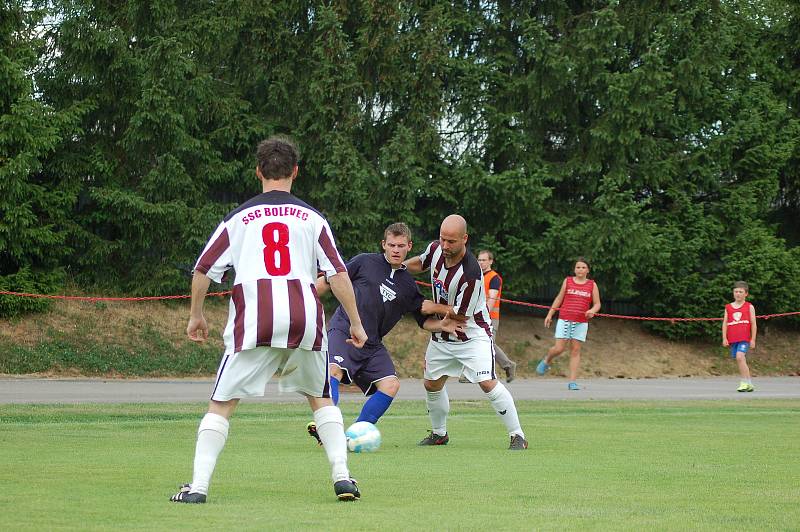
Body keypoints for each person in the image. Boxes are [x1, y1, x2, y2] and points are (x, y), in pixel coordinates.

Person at [169, 136, 368, 504]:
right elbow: (337, 274)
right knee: (321, 399)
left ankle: (197, 488)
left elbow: (202, 270)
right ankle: (342, 476)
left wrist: (196, 315)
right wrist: (355, 322)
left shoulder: (238, 218)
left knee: (222, 404)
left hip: (254, 321)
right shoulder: (312, 218)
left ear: (258, 171)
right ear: (295, 172)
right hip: (305, 321)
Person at [307, 223, 464, 444]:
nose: (396, 250)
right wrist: (306, 298)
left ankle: (355, 436)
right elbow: (332, 279)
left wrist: (442, 326)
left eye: (401, 245)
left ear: (409, 246)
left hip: (372, 344)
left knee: (391, 385)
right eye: (391, 245)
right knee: (333, 371)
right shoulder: (364, 262)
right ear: (384, 245)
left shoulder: (408, 285)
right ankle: (327, 427)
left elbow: (423, 319)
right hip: (345, 329)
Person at [405, 214, 528, 450]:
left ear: (465, 239)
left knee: (487, 383)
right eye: (442, 239)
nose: (445, 246)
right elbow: (420, 263)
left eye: (451, 241)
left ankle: (517, 435)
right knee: (431, 384)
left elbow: (461, 315)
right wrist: (399, 265)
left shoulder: (472, 274)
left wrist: (431, 307)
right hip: (443, 334)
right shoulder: (436, 249)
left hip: (472, 334)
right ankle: (439, 434)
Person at [536, 258, 601, 390]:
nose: (580, 270)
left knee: (575, 350)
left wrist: (592, 311)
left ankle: (572, 382)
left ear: (588, 270)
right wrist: (550, 314)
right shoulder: (568, 281)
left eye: (583, 267)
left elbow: (597, 303)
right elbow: (559, 298)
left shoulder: (592, 285)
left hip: (581, 322)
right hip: (565, 319)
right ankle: (547, 360)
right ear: (574, 269)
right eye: (578, 267)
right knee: (559, 348)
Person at [461, 250, 516, 383]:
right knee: (479, 343)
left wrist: (483, 315)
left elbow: (491, 299)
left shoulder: (494, 278)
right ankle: (506, 365)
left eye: (484, 260)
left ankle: (483, 374)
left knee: (487, 345)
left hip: (490, 317)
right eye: (479, 260)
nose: (481, 262)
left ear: (491, 261)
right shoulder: (478, 276)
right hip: (476, 317)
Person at [722, 281, 757, 392]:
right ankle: (749, 383)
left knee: (740, 357)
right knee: (741, 360)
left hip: (744, 338)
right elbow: (725, 323)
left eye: (740, 292)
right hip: (733, 339)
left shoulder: (749, 307)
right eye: (736, 291)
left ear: (745, 294)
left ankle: (743, 382)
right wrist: (724, 337)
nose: (738, 294)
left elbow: (753, 323)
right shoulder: (728, 307)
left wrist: (753, 339)